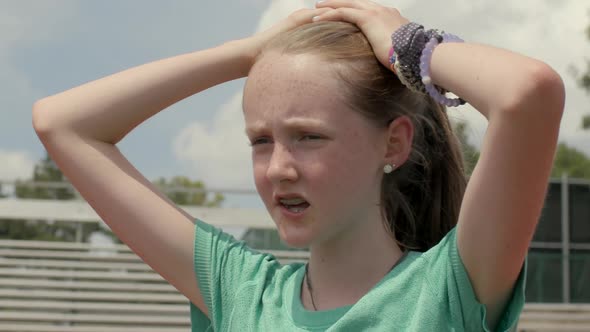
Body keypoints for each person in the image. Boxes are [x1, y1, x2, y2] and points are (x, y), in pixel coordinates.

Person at [32, 1, 565, 331]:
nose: (278, 168)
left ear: (393, 144)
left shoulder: (451, 289)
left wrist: (407, 44)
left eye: (309, 137)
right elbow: (61, 123)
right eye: (261, 141)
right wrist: (248, 54)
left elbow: (527, 94)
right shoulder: (236, 291)